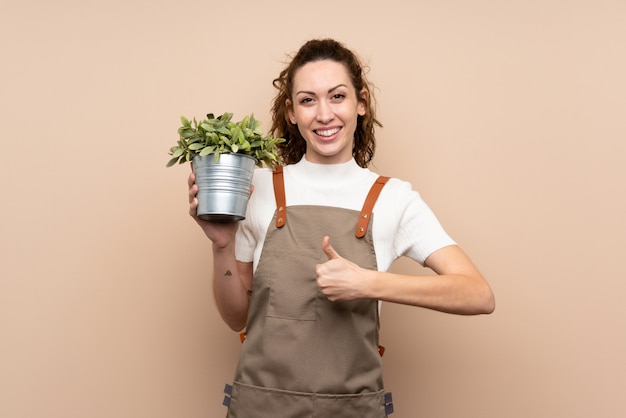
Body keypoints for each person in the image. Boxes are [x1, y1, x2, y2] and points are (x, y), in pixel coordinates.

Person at [187, 38, 495, 418]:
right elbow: (237, 317)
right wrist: (221, 245)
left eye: (337, 96)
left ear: (360, 103)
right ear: (292, 112)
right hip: (261, 408)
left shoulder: (393, 198)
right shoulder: (258, 187)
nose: (323, 114)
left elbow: (478, 294)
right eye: (307, 100)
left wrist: (369, 283)